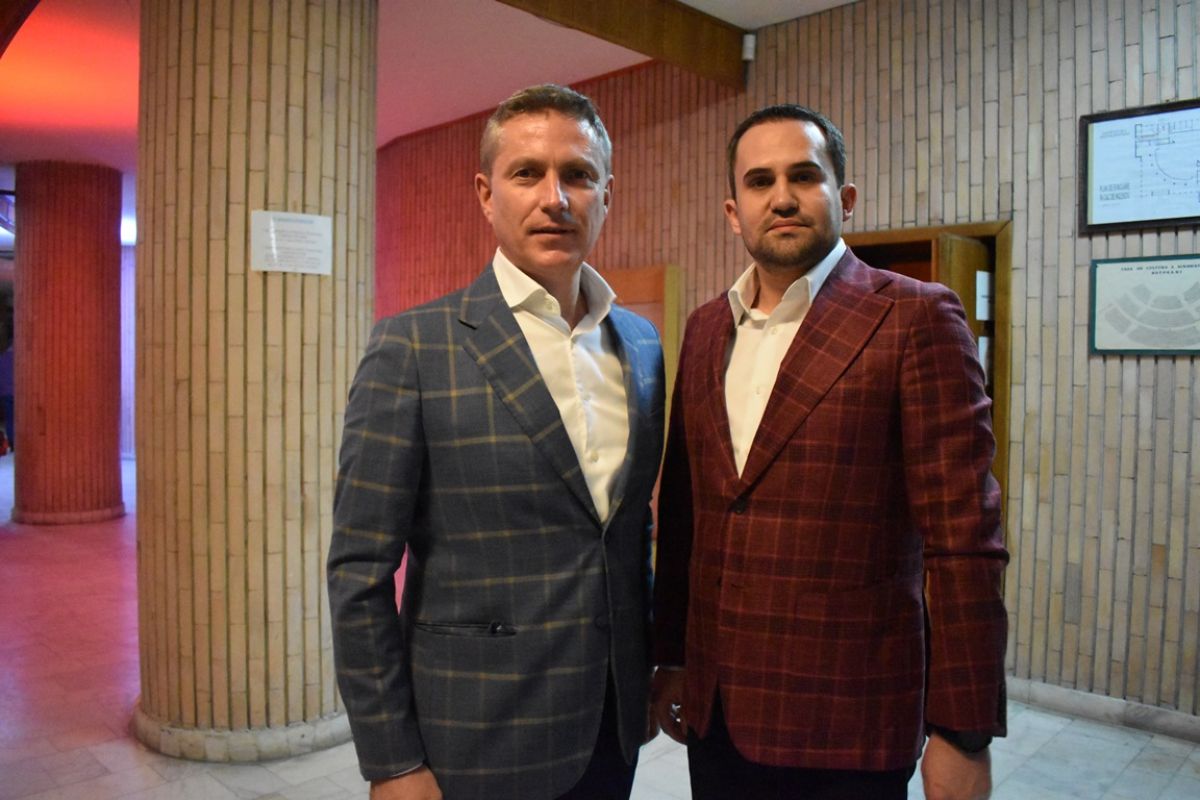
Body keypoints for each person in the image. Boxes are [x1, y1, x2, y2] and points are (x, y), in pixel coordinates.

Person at [651, 104, 1009, 800]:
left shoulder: (915, 317)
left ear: (844, 198)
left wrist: (963, 731)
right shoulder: (703, 329)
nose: (782, 197)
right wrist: (672, 656)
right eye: (759, 181)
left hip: (849, 719)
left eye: (804, 176)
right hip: (718, 713)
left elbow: (966, 539)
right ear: (733, 212)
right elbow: (688, 514)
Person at [328, 84, 664, 800]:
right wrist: (391, 760)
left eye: (578, 175)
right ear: (486, 194)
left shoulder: (641, 345)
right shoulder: (413, 348)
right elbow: (359, 572)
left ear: (607, 195)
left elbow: (627, 528)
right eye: (527, 173)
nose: (555, 198)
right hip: (477, 733)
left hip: (611, 724)